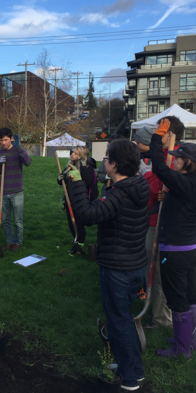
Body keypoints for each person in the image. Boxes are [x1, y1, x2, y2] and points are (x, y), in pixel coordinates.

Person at [68, 140, 149, 391]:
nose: (104, 163)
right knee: (123, 318)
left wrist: (77, 182)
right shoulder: (139, 185)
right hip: (134, 264)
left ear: (113, 164)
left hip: (118, 268)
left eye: (106, 159)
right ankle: (134, 369)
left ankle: (130, 382)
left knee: (118, 323)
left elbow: (86, 215)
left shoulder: (119, 194)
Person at [149, 118, 196, 359]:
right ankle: (189, 339)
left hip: (175, 250)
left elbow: (158, 166)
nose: (174, 159)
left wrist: (157, 137)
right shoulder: (189, 183)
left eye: (178, 158)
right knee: (191, 296)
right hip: (190, 248)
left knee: (177, 298)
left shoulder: (185, 183)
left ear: (187, 162)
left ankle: (181, 349)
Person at [135, 123, 183, 329]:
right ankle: (153, 310)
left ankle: (163, 319)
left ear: (169, 135)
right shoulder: (157, 156)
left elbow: (160, 189)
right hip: (151, 218)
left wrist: (146, 174)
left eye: (161, 132)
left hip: (163, 223)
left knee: (161, 273)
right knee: (150, 269)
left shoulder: (173, 159)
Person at [0, 128, 32, 252]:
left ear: (11, 139)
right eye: (1, 140)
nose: (3, 143)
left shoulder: (17, 151)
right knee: (5, 220)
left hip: (17, 191)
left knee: (18, 220)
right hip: (3, 192)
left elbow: (28, 162)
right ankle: (9, 241)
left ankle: (18, 242)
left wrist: (19, 147)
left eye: (5, 140)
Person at [57, 146, 98, 256]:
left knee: (78, 224)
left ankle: (80, 244)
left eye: (75, 153)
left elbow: (88, 182)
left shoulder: (87, 168)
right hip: (70, 199)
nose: (72, 155)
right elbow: (62, 182)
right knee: (71, 224)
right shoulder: (70, 166)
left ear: (81, 155)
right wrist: (60, 178)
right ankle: (76, 242)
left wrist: (83, 168)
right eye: (72, 153)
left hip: (81, 200)